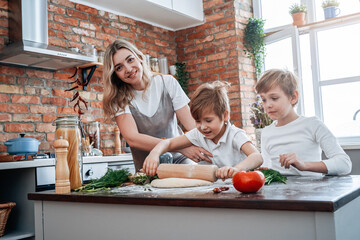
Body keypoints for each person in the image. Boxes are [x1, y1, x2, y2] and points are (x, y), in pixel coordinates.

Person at [102, 39, 212, 172]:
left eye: (130, 60)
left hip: (180, 158)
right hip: (148, 167)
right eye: (119, 67)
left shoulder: (167, 83)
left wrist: (219, 144)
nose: (128, 69)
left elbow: (192, 126)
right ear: (115, 75)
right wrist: (180, 147)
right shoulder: (118, 99)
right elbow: (133, 139)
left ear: (140, 58)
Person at [144, 81, 263, 178]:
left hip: (238, 189)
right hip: (210, 191)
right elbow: (168, 142)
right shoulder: (197, 134)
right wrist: (154, 153)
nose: (203, 127)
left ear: (224, 116)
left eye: (208, 120)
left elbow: (257, 156)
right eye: (198, 121)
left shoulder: (235, 135)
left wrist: (236, 169)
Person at [256, 69, 352, 176]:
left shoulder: (313, 125)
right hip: (280, 192)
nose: (268, 105)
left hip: (312, 191)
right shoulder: (266, 132)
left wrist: (304, 165)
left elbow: (344, 164)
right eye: (263, 99)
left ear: (293, 97)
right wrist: (264, 171)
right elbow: (268, 166)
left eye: (274, 98)